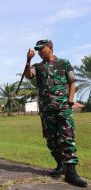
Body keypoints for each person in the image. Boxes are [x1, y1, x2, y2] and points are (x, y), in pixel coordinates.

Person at [24, 40, 87, 187]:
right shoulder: (37, 66)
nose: (39, 52)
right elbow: (28, 75)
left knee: (67, 137)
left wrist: (70, 100)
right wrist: (28, 60)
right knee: (51, 139)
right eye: (38, 50)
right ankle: (60, 165)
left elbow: (72, 81)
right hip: (46, 109)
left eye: (42, 49)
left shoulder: (64, 63)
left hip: (63, 107)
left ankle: (71, 173)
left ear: (50, 48)